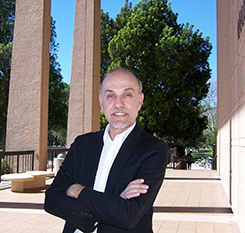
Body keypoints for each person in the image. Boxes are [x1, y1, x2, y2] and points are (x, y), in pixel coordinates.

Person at [44, 68, 169, 233]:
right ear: (101, 102)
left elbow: (129, 215)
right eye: (110, 95)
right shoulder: (82, 144)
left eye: (127, 95)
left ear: (140, 101)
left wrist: (77, 190)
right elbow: (52, 199)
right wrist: (114, 203)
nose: (118, 104)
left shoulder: (154, 149)